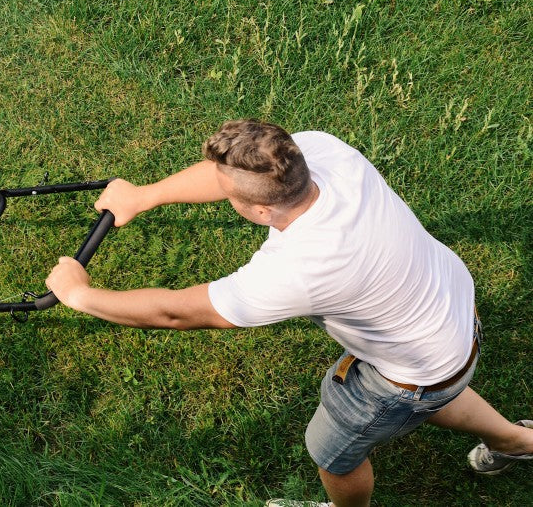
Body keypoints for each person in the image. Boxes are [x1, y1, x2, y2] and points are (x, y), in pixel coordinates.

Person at [46, 119, 533, 507]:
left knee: (334, 455)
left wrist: (81, 296)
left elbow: (177, 312)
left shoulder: (299, 269)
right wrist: (144, 194)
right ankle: (519, 441)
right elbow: (236, 178)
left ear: (260, 212)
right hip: (450, 313)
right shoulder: (320, 153)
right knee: (432, 392)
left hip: (410, 371)